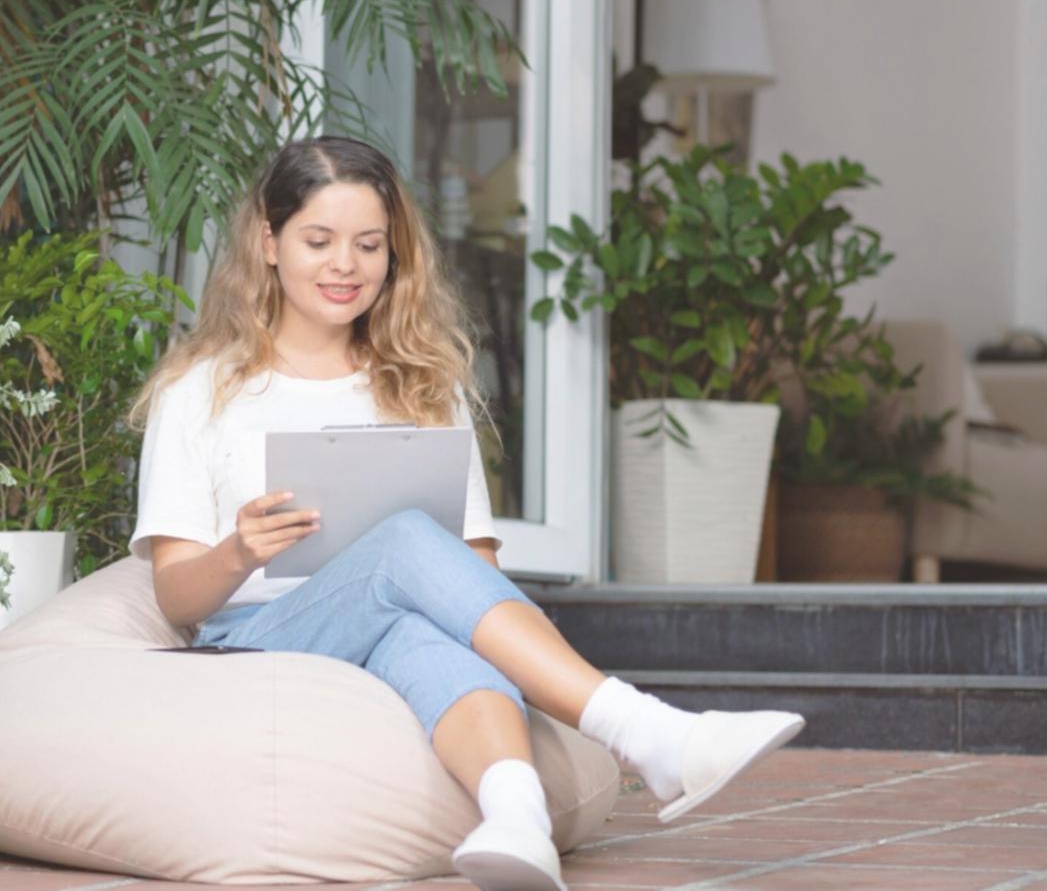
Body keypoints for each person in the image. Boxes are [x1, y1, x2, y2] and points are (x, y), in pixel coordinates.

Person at [126, 136, 803, 891]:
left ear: (394, 253)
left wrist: (460, 607)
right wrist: (239, 551)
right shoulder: (199, 391)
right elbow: (175, 598)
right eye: (318, 241)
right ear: (268, 244)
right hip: (258, 637)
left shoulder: (420, 384)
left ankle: (516, 820)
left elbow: (475, 571)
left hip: (390, 625)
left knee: (426, 624)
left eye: (369, 245)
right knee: (403, 543)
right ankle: (643, 730)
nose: (345, 265)